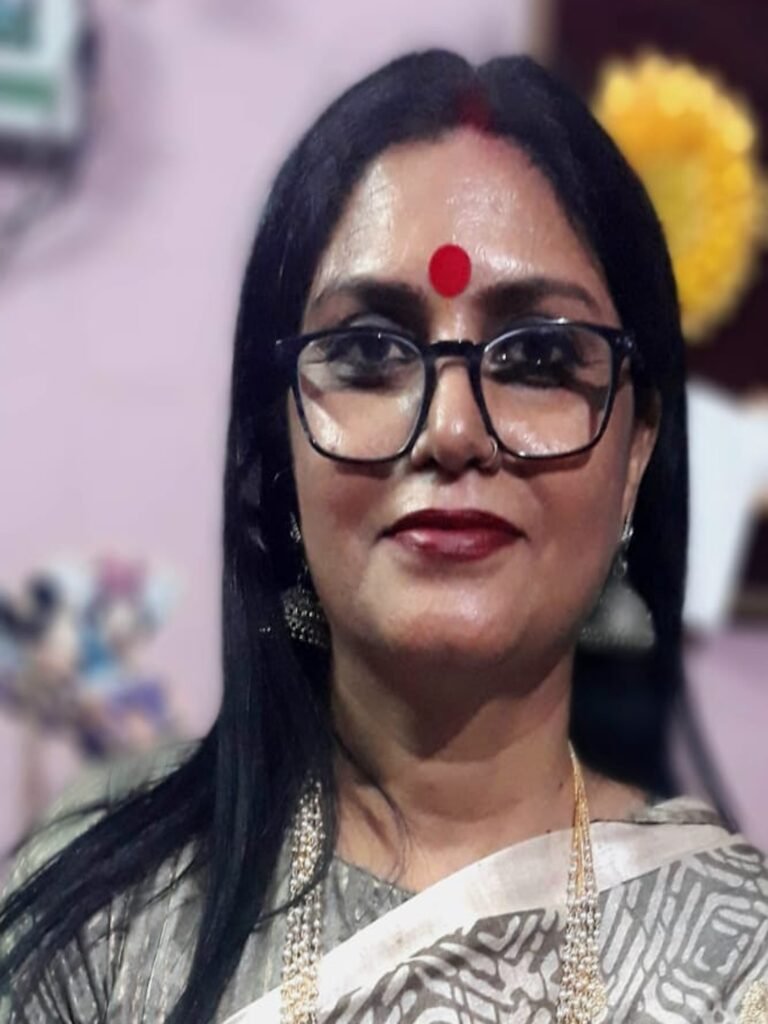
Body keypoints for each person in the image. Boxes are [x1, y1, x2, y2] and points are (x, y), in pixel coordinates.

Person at [1, 49, 766, 1024]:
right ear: (277, 441)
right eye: (368, 350)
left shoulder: (743, 965)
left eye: (536, 356)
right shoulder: (99, 923)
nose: (452, 428)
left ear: (636, 451)